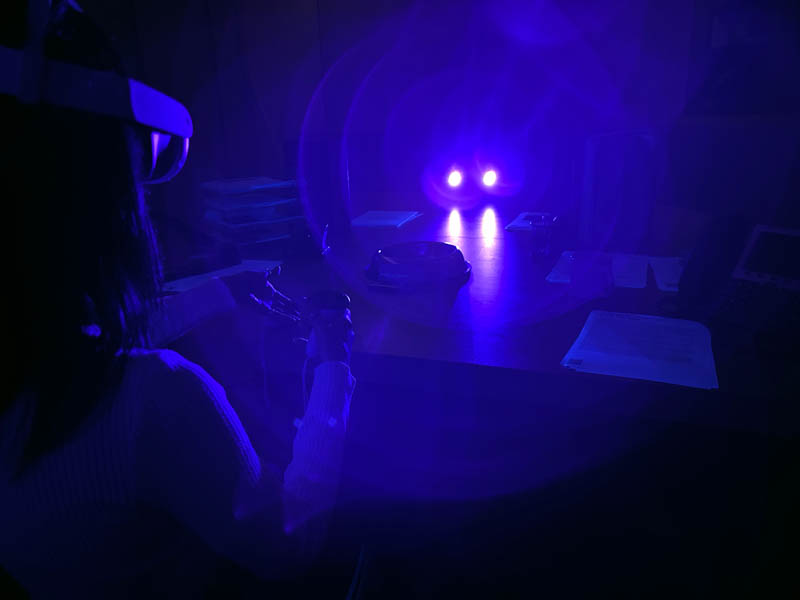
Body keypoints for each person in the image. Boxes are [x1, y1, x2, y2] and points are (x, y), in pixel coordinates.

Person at [0, 1, 355, 597]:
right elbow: (288, 543)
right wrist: (334, 365)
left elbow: (71, 339)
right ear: (110, 195)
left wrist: (218, 293)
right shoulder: (157, 398)